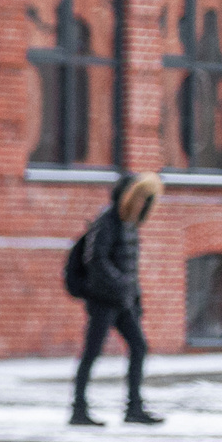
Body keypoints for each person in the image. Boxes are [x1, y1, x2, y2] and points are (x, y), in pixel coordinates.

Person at [68, 172, 165, 427]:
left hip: (124, 301)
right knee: (92, 352)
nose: (145, 204)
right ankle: (79, 410)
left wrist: (135, 298)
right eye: (142, 198)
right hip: (103, 300)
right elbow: (96, 260)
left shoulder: (129, 224)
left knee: (139, 347)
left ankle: (134, 408)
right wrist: (120, 284)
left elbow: (130, 267)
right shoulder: (107, 222)